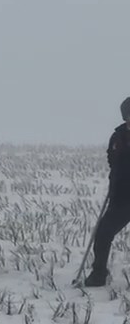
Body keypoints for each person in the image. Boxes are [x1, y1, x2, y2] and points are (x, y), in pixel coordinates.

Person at [84, 97, 130, 287]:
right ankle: (99, 274)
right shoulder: (117, 136)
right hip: (121, 197)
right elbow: (111, 158)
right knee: (103, 233)